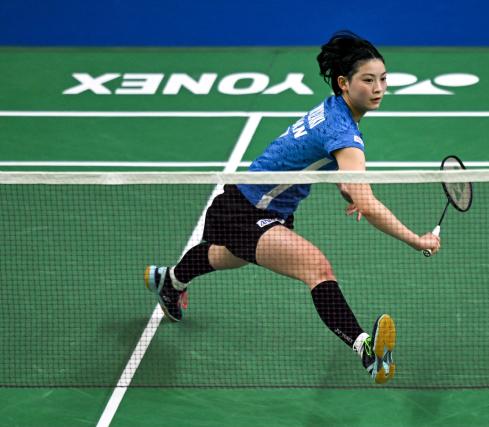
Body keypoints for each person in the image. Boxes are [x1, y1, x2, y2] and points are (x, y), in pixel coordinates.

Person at [144, 31, 440, 384]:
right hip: (246, 209)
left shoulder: (334, 108)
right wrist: (415, 240)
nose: (378, 88)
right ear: (344, 83)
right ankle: (366, 351)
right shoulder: (343, 131)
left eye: (383, 79)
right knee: (318, 268)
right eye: (368, 80)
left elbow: (336, 171)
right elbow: (367, 201)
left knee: (228, 256)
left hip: (261, 205)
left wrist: (349, 188)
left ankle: (170, 279)